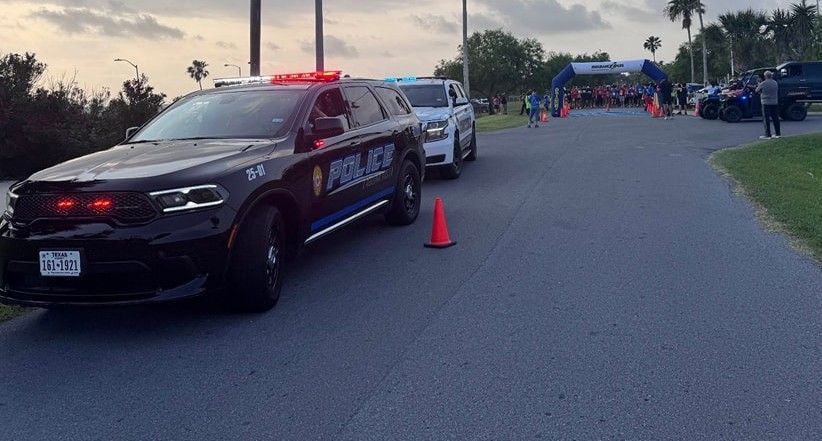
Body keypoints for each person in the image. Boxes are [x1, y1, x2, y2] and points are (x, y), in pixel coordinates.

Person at [756, 71, 781, 139]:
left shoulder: (763, 83)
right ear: (771, 76)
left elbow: (757, 90)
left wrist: (759, 84)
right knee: (775, 118)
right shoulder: (775, 83)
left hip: (765, 102)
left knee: (766, 119)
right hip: (774, 102)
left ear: (765, 76)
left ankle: (768, 134)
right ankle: (778, 133)